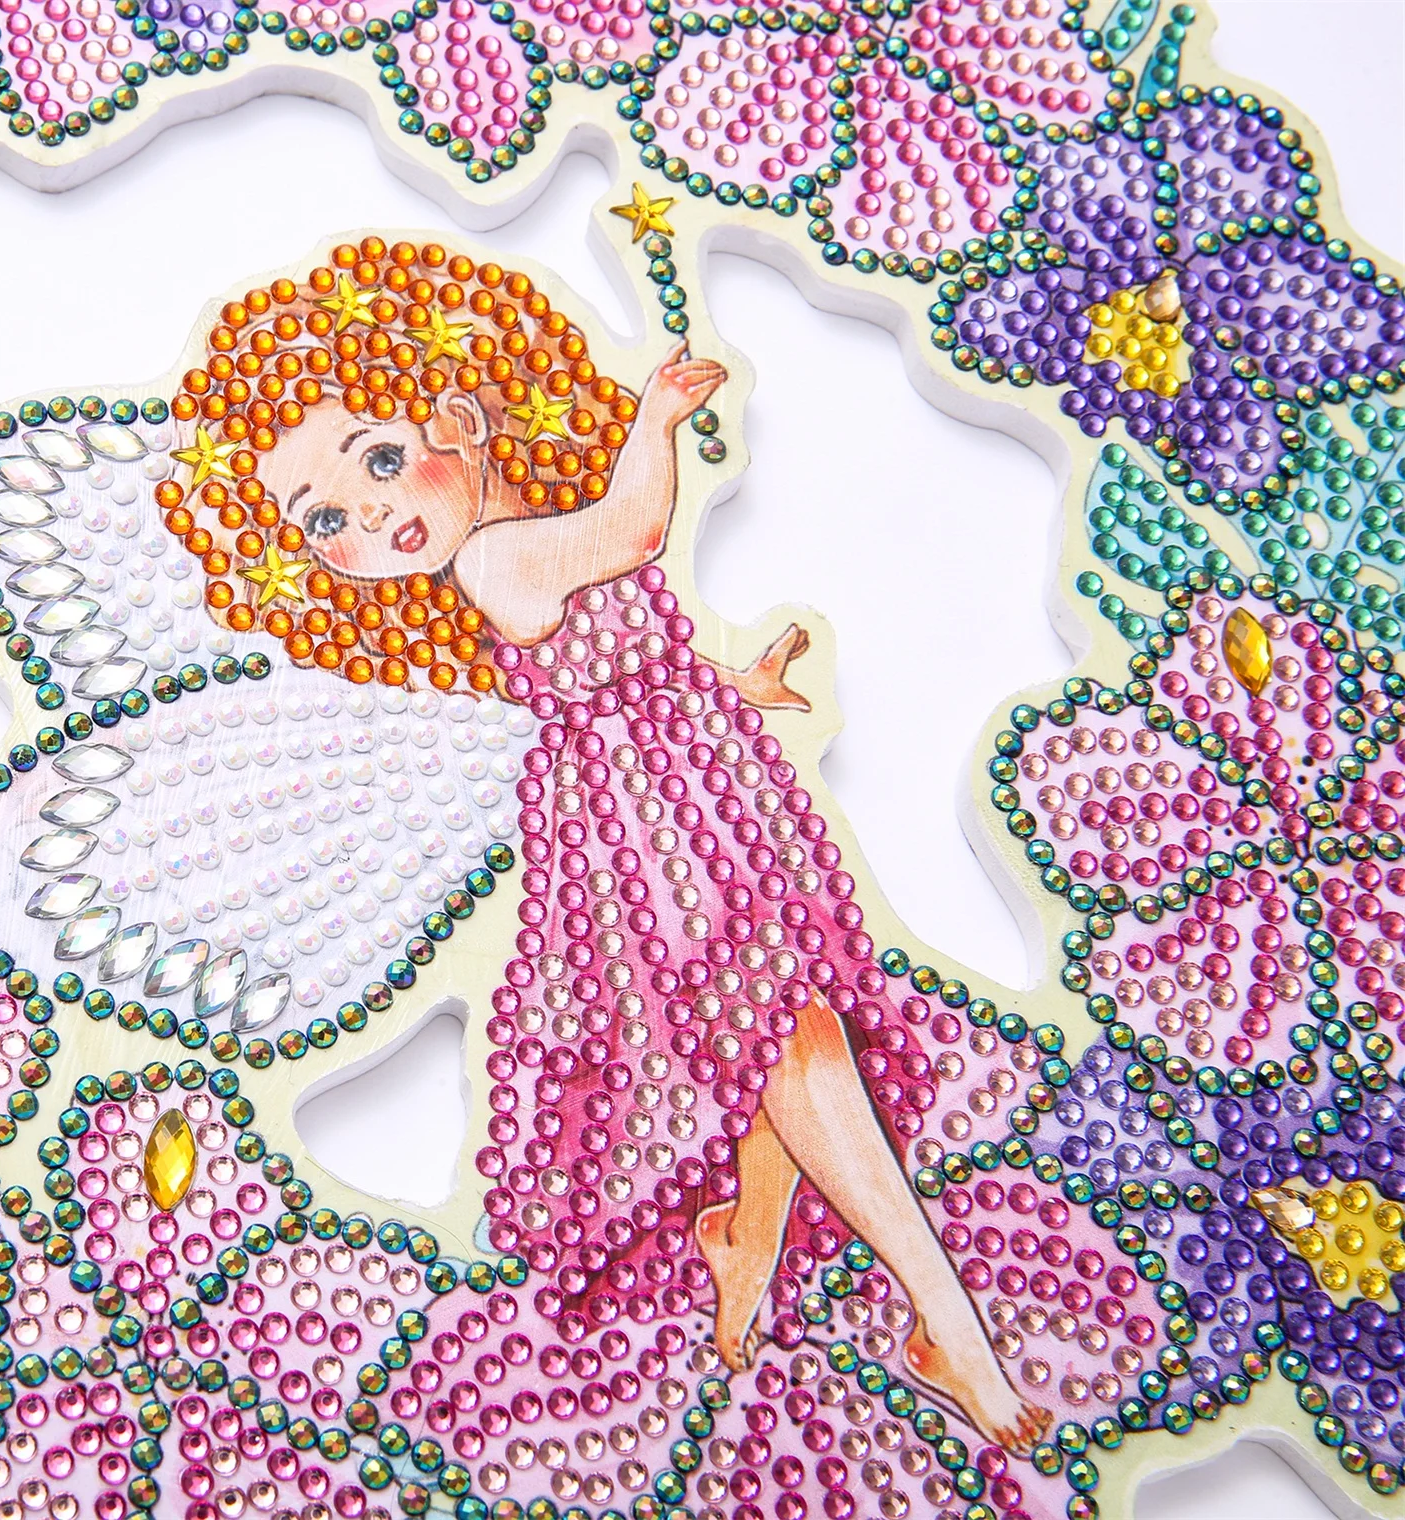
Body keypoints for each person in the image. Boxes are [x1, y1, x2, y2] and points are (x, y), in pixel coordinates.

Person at [171, 236, 1057, 1460]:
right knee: (785, 1028)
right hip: (647, 827)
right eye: (323, 517)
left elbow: (627, 655)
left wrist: (734, 686)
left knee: (770, 1032)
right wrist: (656, 415)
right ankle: (943, 1320)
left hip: (689, 786)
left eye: (376, 460)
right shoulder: (494, 557)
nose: (363, 515)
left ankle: (744, 1235)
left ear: (460, 418)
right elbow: (634, 532)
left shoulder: (512, 545)